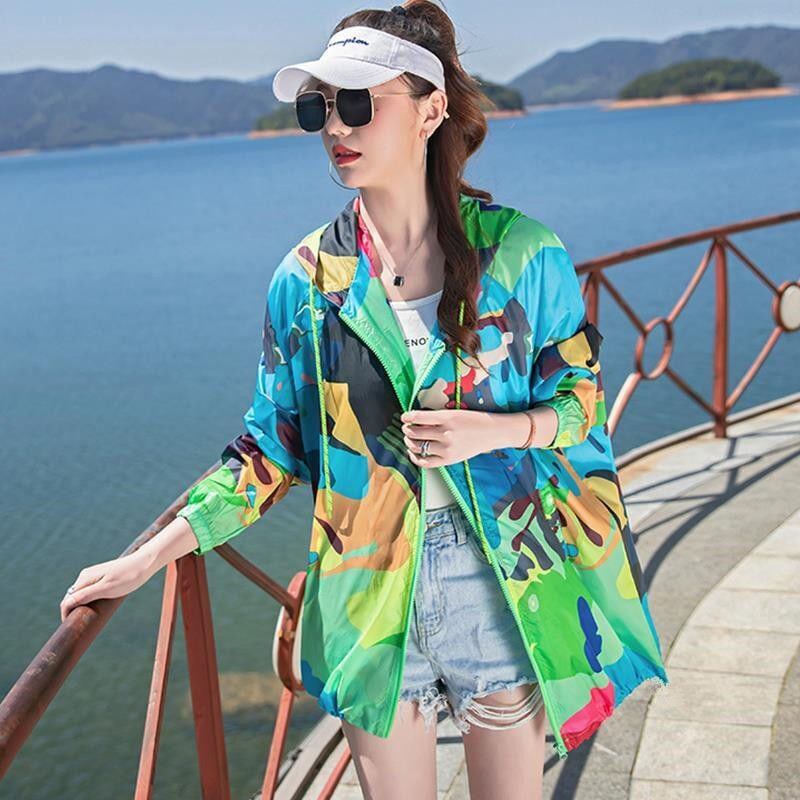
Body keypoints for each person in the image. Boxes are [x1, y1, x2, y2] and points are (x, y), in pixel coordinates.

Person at [60, 3, 668, 798]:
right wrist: (149, 556)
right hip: (368, 594)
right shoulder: (306, 279)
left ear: (431, 109)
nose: (335, 127)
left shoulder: (523, 253)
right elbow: (270, 447)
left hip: (505, 579)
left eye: (357, 102)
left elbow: (580, 398)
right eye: (318, 108)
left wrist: (497, 431)